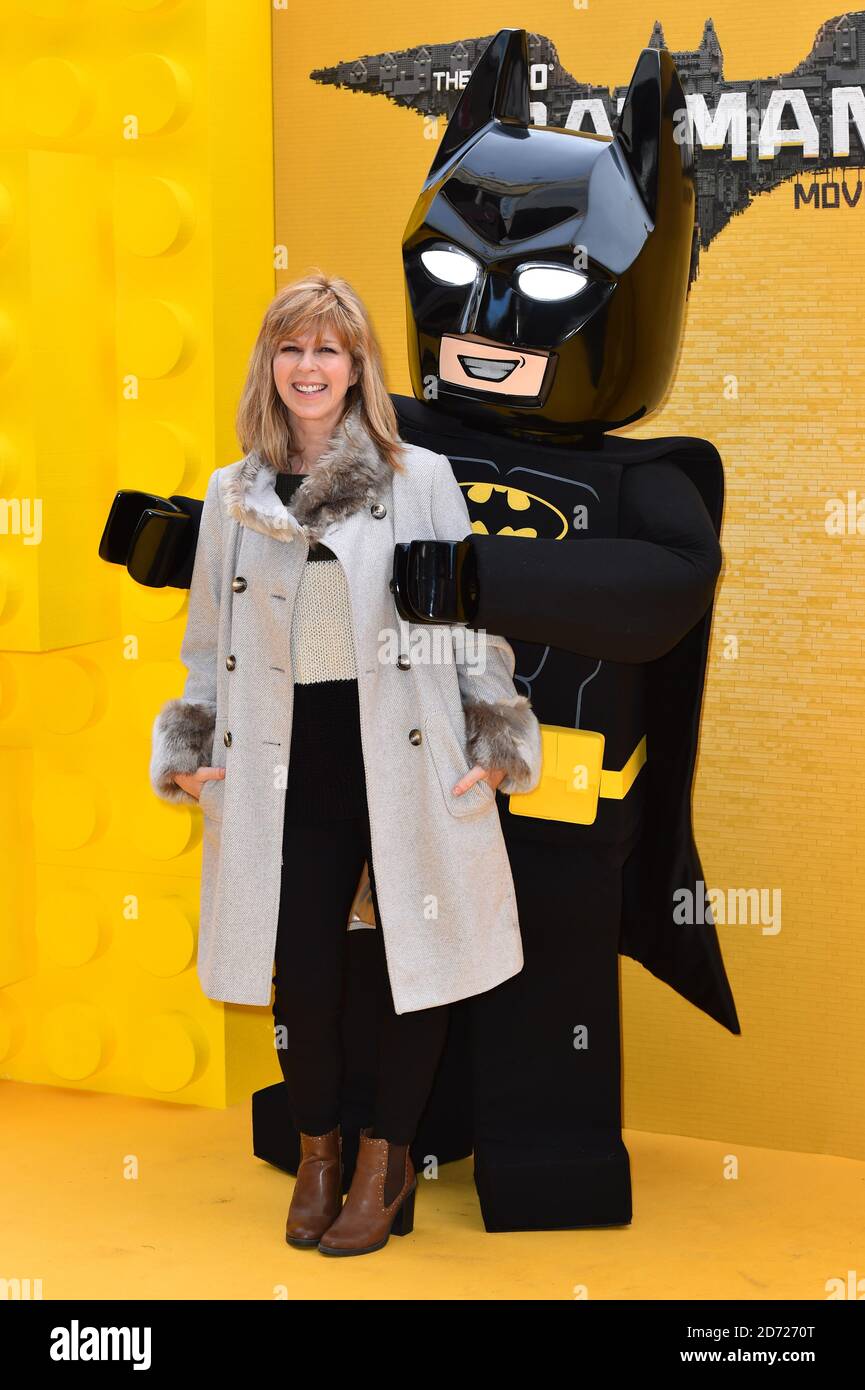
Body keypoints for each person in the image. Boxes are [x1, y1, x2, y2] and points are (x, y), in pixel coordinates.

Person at [149, 271, 543, 1256]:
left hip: (403, 754)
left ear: (357, 364)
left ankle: (384, 1158)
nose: (308, 366)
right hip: (285, 766)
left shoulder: (419, 480)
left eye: (328, 348)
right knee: (306, 975)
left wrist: (495, 743)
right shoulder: (230, 493)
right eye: (291, 347)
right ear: (268, 364)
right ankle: (318, 1150)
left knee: (421, 961)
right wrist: (189, 747)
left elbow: (465, 625)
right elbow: (206, 643)